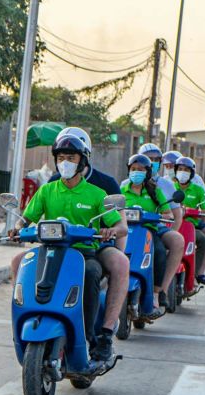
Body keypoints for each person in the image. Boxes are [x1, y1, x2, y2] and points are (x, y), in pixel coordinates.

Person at [9, 134, 129, 361]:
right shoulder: (47, 190)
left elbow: (120, 225)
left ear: (82, 161)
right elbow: (26, 218)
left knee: (91, 271)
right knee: (18, 261)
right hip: (50, 249)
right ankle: (26, 316)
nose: (65, 163)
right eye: (61, 158)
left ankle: (94, 335)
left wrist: (111, 231)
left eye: (71, 158)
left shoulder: (97, 194)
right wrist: (17, 227)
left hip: (84, 252)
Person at [122, 154, 182, 319]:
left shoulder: (155, 190)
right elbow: (112, 210)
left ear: (147, 172)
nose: (136, 173)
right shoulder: (122, 190)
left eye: (141, 170)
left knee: (160, 252)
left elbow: (168, 213)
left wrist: (160, 216)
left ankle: (157, 292)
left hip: (149, 230)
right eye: (133, 169)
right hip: (127, 231)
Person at [136, 143, 186, 306]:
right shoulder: (125, 185)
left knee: (172, 243)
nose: (153, 162)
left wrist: (169, 233)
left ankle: (161, 290)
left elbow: (175, 216)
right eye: (149, 159)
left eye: (157, 159)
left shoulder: (163, 186)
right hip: (131, 230)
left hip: (155, 228)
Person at [170, 156, 205, 287]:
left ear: (191, 173)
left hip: (192, 224)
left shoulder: (198, 189)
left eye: (186, 170)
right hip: (172, 224)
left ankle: (197, 273)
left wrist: (200, 211)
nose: (182, 172)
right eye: (180, 169)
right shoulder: (170, 187)